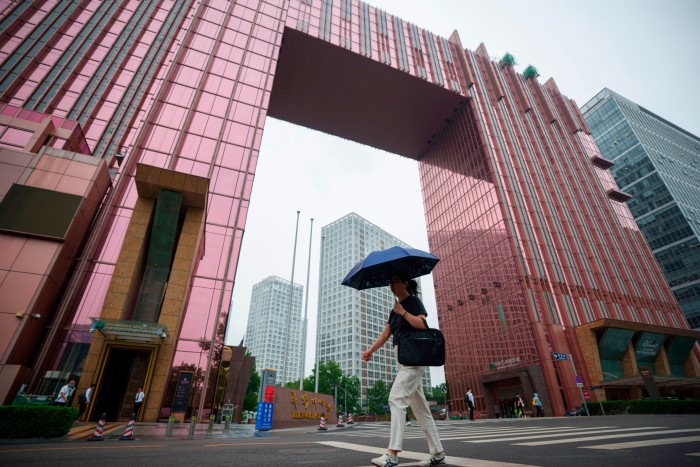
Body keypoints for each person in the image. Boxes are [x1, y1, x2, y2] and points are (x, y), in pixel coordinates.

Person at [363, 273, 445, 467]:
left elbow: (422, 325)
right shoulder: (394, 310)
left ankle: (392, 454)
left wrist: (403, 312)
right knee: (421, 410)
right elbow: (386, 334)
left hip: (414, 359)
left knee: (396, 398)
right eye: (390, 282)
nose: (391, 285)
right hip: (403, 358)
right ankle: (438, 452)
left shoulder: (414, 302)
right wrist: (370, 350)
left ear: (405, 283)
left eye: (395, 282)